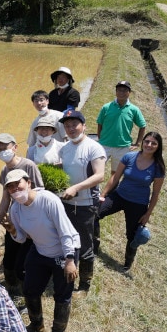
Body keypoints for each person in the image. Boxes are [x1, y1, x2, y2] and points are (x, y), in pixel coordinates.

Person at [4, 169, 80, 332]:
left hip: (64, 250)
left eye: (18, 184)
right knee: (30, 289)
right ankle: (36, 324)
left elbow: (65, 231)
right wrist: (13, 231)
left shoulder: (48, 200)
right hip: (40, 250)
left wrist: (70, 259)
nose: (15, 189)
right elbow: (22, 238)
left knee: (62, 295)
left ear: (28, 182)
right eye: (10, 187)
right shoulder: (16, 208)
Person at [99, 132, 165, 271]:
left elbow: (156, 193)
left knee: (132, 235)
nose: (149, 145)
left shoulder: (158, 167)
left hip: (138, 203)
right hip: (119, 196)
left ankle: (127, 263)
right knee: (95, 214)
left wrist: (147, 214)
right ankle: (93, 245)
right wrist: (103, 194)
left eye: (154, 143)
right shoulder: (129, 156)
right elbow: (115, 178)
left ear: (158, 146)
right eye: (147, 141)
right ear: (142, 142)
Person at [59, 109, 106, 295]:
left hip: (86, 204)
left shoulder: (94, 148)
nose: (71, 128)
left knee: (85, 243)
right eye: (67, 125)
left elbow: (100, 175)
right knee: (67, 239)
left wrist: (76, 188)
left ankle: (85, 283)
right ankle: (68, 271)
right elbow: (66, 169)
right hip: (67, 203)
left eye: (74, 124)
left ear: (84, 126)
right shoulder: (65, 148)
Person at [0, 133, 43, 297]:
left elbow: (40, 191)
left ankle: (26, 291)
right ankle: (11, 287)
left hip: (29, 219)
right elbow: (5, 198)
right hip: (14, 219)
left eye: (4, 148)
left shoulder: (28, 165)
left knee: (24, 259)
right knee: (9, 258)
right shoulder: (5, 170)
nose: (2, 152)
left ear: (14, 147)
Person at [96, 81, 147, 174]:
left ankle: (112, 188)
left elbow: (142, 125)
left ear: (129, 93)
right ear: (116, 92)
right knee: (96, 169)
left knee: (116, 173)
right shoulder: (106, 107)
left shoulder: (134, 109)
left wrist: (138, 143)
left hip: (123, 147)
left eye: (124, 91)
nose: (121, 93)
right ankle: (95, 188)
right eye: (119, 90)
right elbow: (100, 123)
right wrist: (100, 138)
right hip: (104, 145)